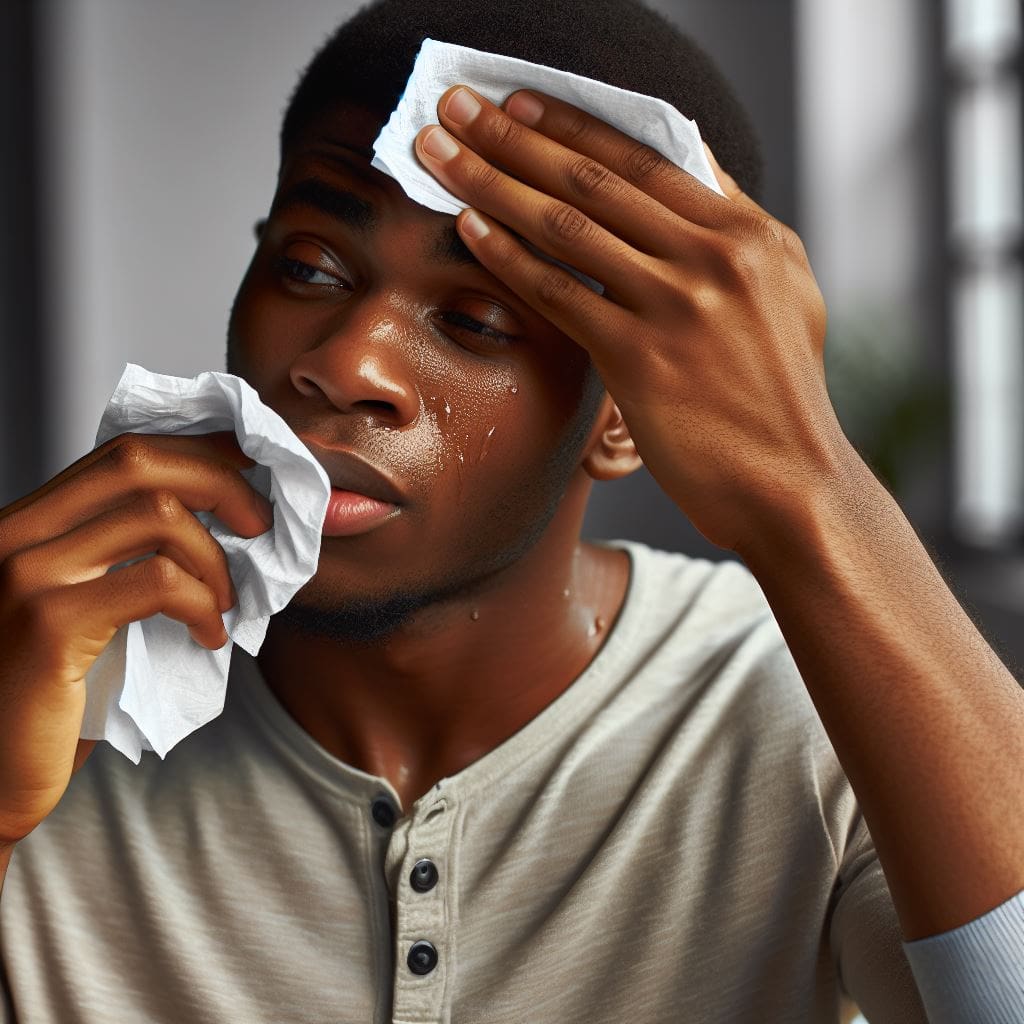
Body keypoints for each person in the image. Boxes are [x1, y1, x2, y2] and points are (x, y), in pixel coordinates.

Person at [1, 1, 1022, 1021]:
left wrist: (809, 486)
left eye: (475, 318)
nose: (345, 363)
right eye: (308, 267)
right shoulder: (55, 688)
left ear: (623, 418)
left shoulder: (811, 710)